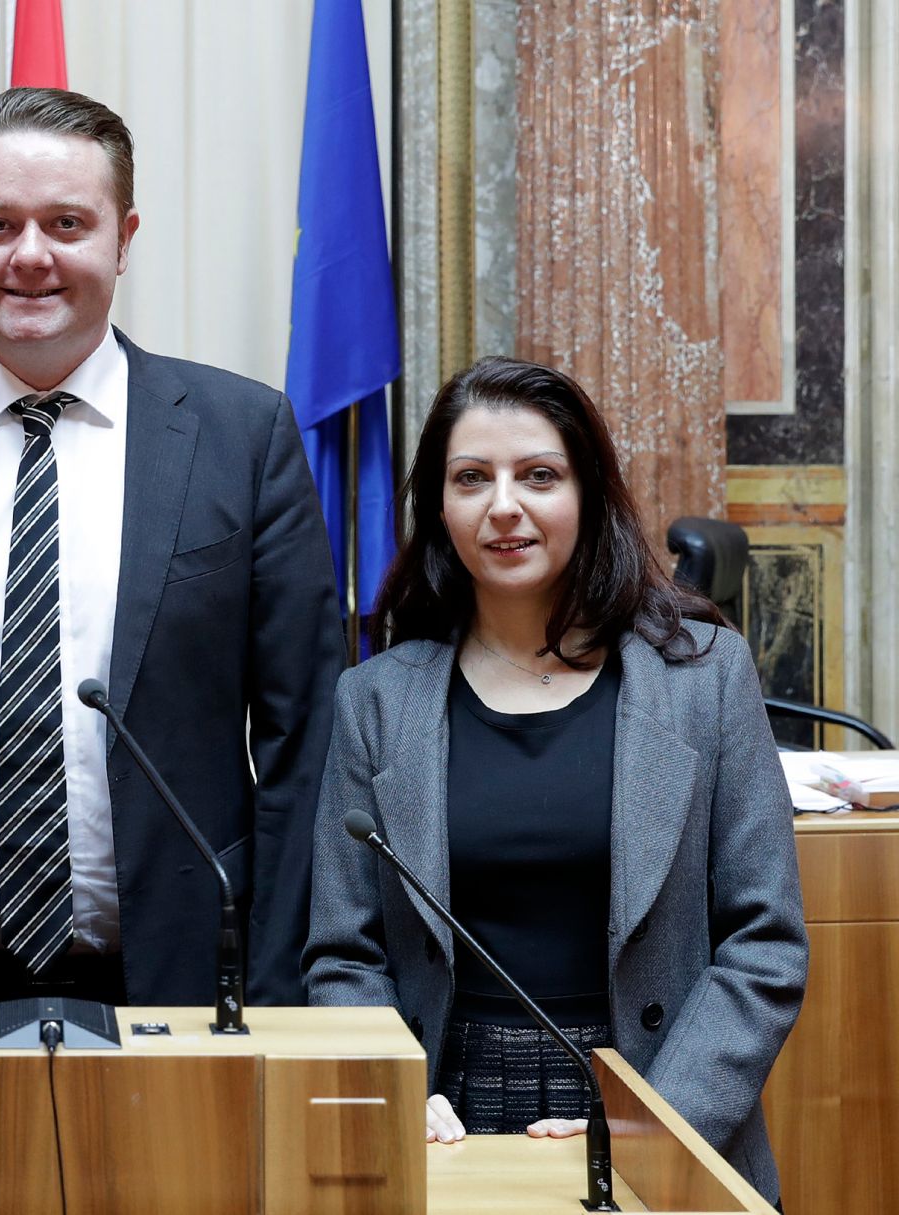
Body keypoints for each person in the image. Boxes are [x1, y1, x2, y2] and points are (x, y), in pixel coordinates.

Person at [0, 88, 342, 1010]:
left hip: (193, 986)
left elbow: (305, 740)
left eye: (66, 223)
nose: (29, 255)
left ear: (123, 239)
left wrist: (271, 982)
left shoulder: (244, 436)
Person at [303, 356, 806, 1204]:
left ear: (589, 492)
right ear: (439, 506)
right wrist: (394, 1089)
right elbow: (342, 951)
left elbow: (764, 943)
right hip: (446, 1120)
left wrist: (654, 1117)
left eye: (539, 474)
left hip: (664, 1105)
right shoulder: (376, 700)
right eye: (472, 478)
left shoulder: (705, 676)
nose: (505, 505)